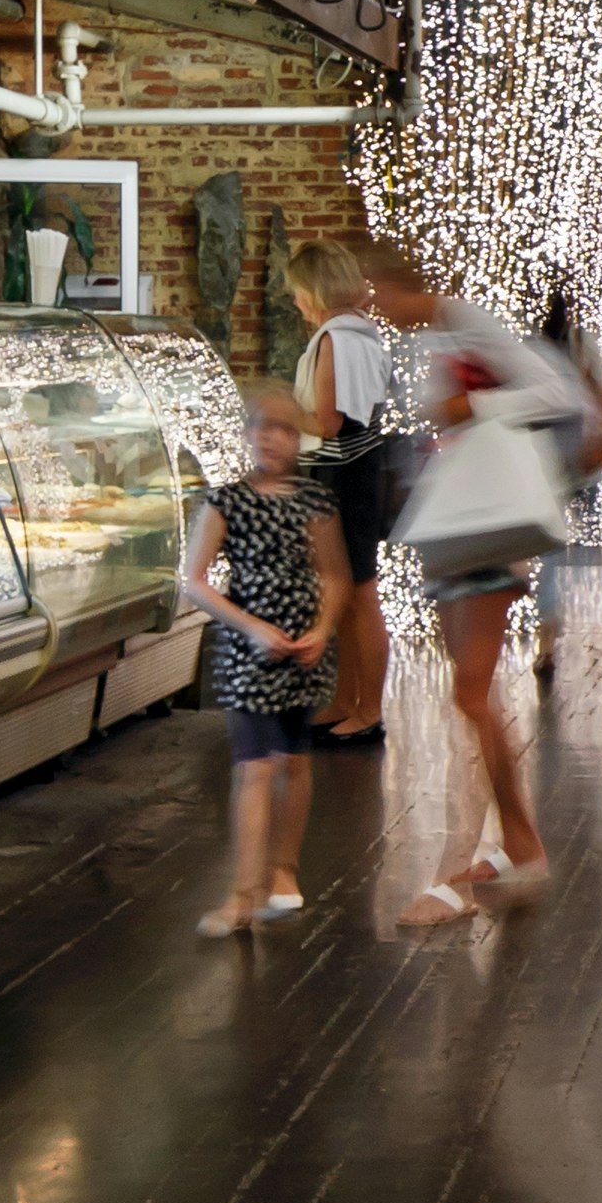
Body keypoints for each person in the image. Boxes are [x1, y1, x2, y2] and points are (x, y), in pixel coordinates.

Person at [365, 240, 575, 930]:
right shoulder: (432, 335)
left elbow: (554, 392)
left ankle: (458, 869)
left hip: (485, 526)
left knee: (470, 697)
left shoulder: (466, 321)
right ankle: (518, 844)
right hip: (460, 529)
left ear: (398, 284)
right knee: (471, 696)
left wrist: (472, 408)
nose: (376, 307)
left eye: (377, 292)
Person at [178, 377, 347, 936]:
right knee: (254, 766)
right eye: (261, 427)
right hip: (249, 653)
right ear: (248, 435)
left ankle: (283, 871)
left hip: (304, 651)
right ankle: (241, 894)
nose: (271, 439)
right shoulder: (225, 500)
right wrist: (250, 627)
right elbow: (196, 581)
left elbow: (334, 574)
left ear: (297, 438)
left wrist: (322, 628)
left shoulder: (315, 500)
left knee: (295, 761)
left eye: (282, 429)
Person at [288, 241, 406, 742]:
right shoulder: (364, 331)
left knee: (357, 594)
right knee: (346, 593)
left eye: (296, 292)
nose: (294, 302)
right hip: (361, 471)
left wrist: (276, 410)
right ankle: (346, 700)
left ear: (313, 289)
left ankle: (368, 711)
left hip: (343, 478)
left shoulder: (336, 338)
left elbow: (328, 422)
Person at [530, 281, 602, 679]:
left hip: (535, 452)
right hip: (575, 450)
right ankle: (550, 629)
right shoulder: (583, 344)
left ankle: (545, 638)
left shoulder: (524, 347)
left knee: (545, 551)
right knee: (556, 549)